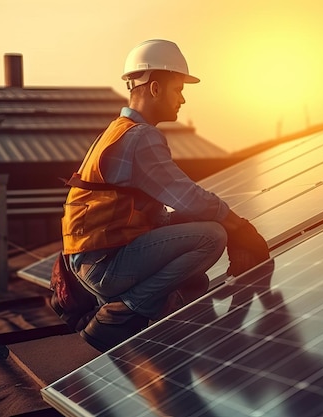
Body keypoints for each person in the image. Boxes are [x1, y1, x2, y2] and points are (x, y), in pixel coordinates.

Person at [60, 39, 269, 352]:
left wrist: (224, 223)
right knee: (211, 236)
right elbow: (190, 198)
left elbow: (164, 211)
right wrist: (239, 228)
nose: (183, 100)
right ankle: (122, 314)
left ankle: (142, 305)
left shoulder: (119, 129)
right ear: (155, 88)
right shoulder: (141, 137)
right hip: (104, 264)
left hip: (92, 259)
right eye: (178, 89)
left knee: (194, 277)